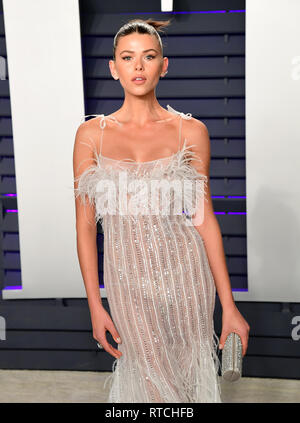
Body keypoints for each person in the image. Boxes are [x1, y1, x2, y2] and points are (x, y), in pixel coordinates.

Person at [73, 18, 250, 403]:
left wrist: (230, 306)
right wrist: (94, 305)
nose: (138, 66)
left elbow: (203, 218)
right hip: (126, 281)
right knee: (150, 385)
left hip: (186, 276)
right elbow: (85, 226)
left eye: (148, 56)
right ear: (113, 68)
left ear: (163, 65)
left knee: (188, 381)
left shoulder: (190, 131)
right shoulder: (92, 135)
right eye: (128, 57)